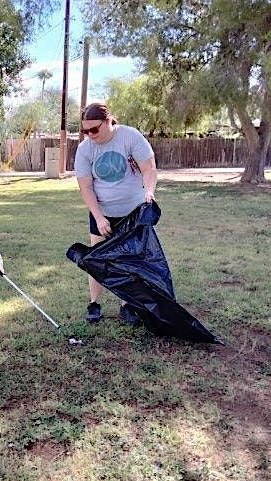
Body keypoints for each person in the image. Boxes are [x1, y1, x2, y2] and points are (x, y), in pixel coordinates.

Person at [74, 102, 158, 324]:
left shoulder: (130, 137)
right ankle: (94, 304)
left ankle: (127, 305)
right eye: (85, 131)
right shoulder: (85, 149)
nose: (90, 135)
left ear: (109, 121)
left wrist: (149, 192)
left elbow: (149, 169)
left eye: (94, 129)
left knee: (129, 260)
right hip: (101, 211)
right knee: (97, 258)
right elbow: (86, 187)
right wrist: (99, 217)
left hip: (132, 211)